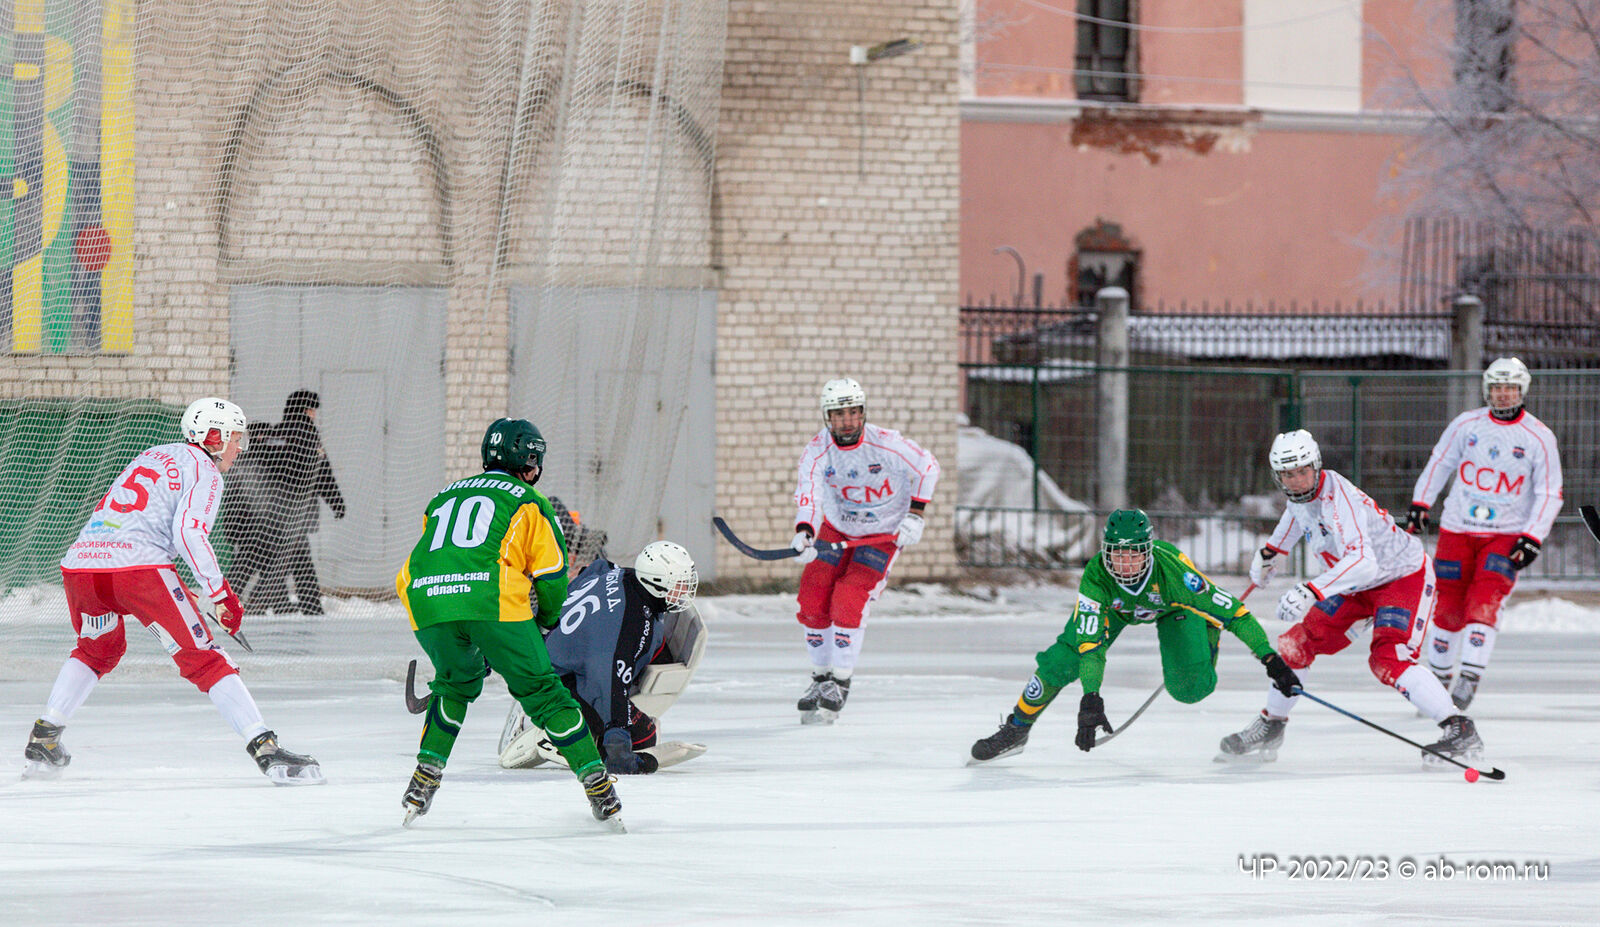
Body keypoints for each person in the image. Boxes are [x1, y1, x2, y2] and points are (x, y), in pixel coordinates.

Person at [23, 398, 324, 785]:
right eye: (234, 437)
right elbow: (188, 532)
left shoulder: (152, 454)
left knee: (97, 649)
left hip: (83, 564)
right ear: (212, 436)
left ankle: (45, 737)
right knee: (206, 658)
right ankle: (266, 750)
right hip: (138, 569)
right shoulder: (205, 470)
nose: (239, 447)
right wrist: (220, 593)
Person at [395, 417, 623, 831]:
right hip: (491, 598)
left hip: (424, 599)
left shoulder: (442, 496)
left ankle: (423, 778)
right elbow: (553, 574)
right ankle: (599, 789)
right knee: (546, 695)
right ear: (531, 461)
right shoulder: (530, 499)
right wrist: (546, 620)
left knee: (455, 684)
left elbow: (435, 555)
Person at [1220, 429, 1485, 767]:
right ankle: (1272, 724)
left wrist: (1311, 590)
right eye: (1289, 475)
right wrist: (1270, 552)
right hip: (1354, 586)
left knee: (1388, 656)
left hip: (1400, 577)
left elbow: (1363, 562)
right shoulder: (1300, 497)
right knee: (1295, 644)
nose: (1298, 481)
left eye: (1303, 471)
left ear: (1316, 466)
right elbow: (1296, 518)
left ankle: (1459, 728)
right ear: (1278, 477)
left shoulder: (1338, 499)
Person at [969, 509, 1300, 764]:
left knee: (1189, 689)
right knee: (1061, 659)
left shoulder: (1176, 575)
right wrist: (1091, 698)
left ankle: (1205, 632)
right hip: (1115, 607)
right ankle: (1017, 728)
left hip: (1173, 607)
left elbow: (1235, 613)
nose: (1125, 564)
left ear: (1149, 551)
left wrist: (1270, 657)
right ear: (1105, 551)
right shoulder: (1097, 576)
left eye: (1134, 554)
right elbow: (1090, 646)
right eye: (1117, 554)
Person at [1405, 357, 1563, 710]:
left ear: (1522, 390)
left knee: (1484, 601)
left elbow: (1550, 492)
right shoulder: (1466, 424)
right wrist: (1421, 502)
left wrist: (1533, 536)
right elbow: (1440, 461)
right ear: (1486, 390)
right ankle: (1438, 679)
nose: (1503, 395)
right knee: (1446, 604)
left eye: (1509, 388)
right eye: (1496, 387)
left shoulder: (1539, 436)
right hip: (1458, 527)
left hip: (1505, 533)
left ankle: (1469, 678)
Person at [790, 377, 940, 723]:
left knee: (849, 596)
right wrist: (805, 532)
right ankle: (820, 678)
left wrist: (915, 515)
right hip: (837, 527)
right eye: (838, 414)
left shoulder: (887, 444)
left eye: (853, 412)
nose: (846, 421)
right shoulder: (817, 450)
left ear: (863, 413)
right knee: (812, 595)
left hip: (882, 534)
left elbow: (928, 467)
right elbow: (809, 495)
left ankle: (840, 681)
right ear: (827, 417)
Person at [498, 541, 704, 775]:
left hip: (550, 655)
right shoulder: (629, 627)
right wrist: (618, 747)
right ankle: (549, 731)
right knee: (645, 736)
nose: (684, 591)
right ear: (657, 583)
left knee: (657, 652)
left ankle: (549, 712)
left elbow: (595, 568)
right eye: (678, 584)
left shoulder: (626, 575)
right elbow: (608, 683)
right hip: (557, 680)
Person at [250, 389, 345, 615]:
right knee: (294, 561)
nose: (314, 415)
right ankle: (263, 604)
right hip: (296, 511)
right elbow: (322, 474)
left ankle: (287, 604)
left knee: (286, 558)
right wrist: (336, 503)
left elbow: (256, 469)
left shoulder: (275, 434)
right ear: (305, 410)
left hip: (267, 510)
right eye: (312, 410)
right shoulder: (308, 436)